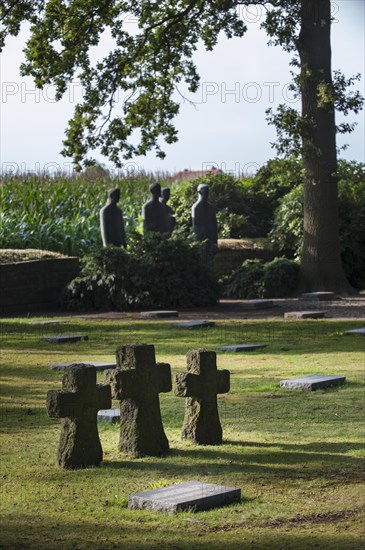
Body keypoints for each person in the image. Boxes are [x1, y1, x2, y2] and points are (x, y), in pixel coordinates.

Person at [192, 183, 218, 255]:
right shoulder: (196, 207)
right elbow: (196, 228)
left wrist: (215, 243)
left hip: (211, 241)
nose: (207, 195)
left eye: (207, 192)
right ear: (199, 192)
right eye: (205, 192)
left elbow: (214, 226)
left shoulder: (211, 207)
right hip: (201, 242)